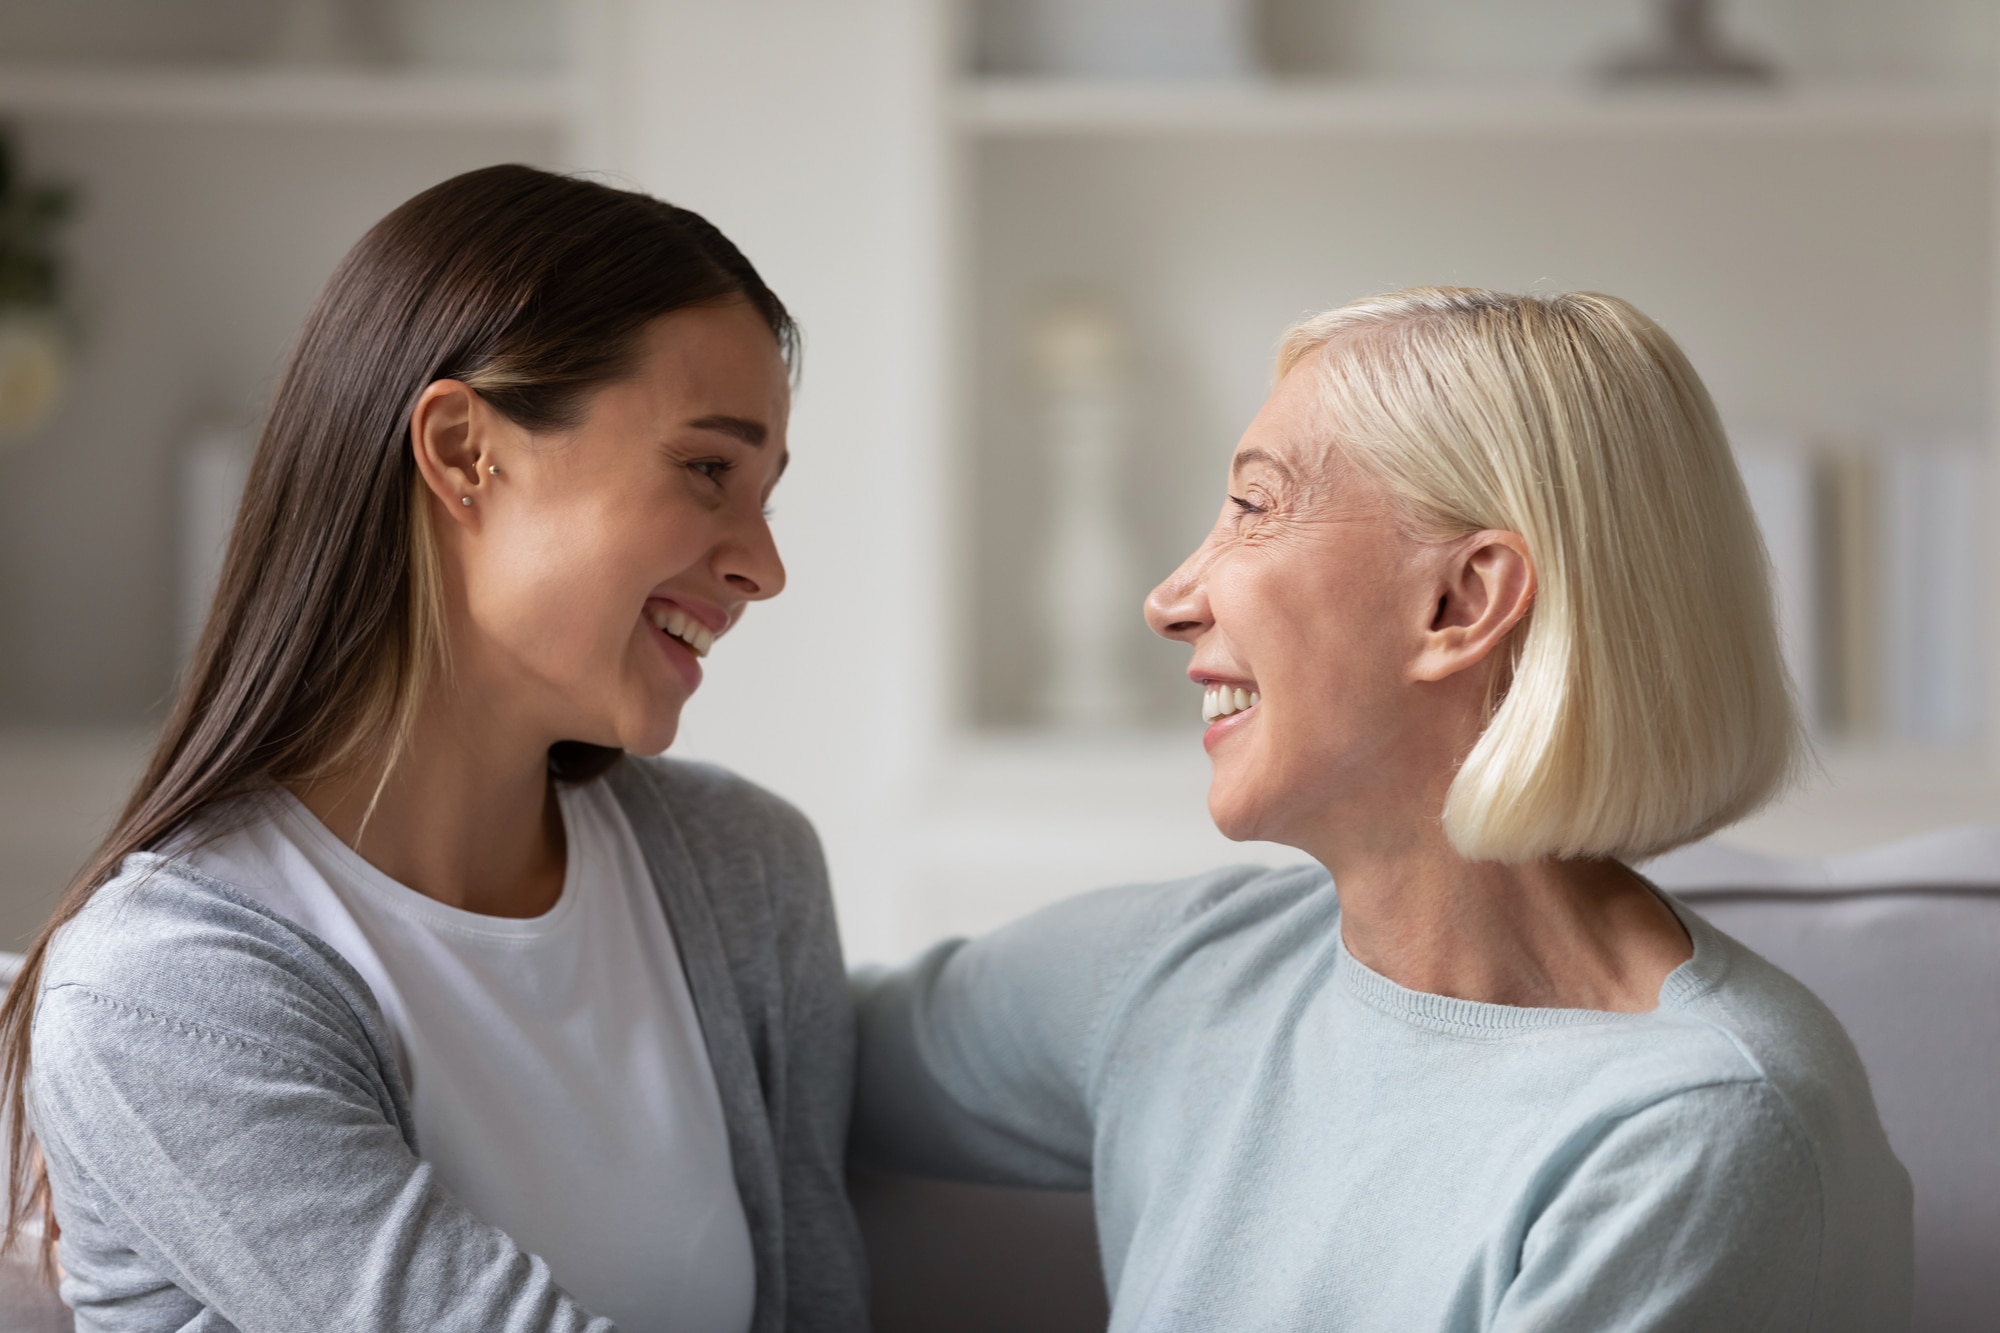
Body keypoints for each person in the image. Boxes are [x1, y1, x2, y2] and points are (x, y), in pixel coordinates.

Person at [851, 288, 1913, 1331]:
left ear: (1459, 603)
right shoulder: (1187, 975)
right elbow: (786, 1040)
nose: (1170, 599)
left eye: (1252, 509)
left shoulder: (1694, 1135)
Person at [0, 165, 868, 1333]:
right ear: (464, 452)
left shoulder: (741, 874)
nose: (763, 567)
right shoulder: (168, 990)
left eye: (763, 496)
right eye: (708, 469)